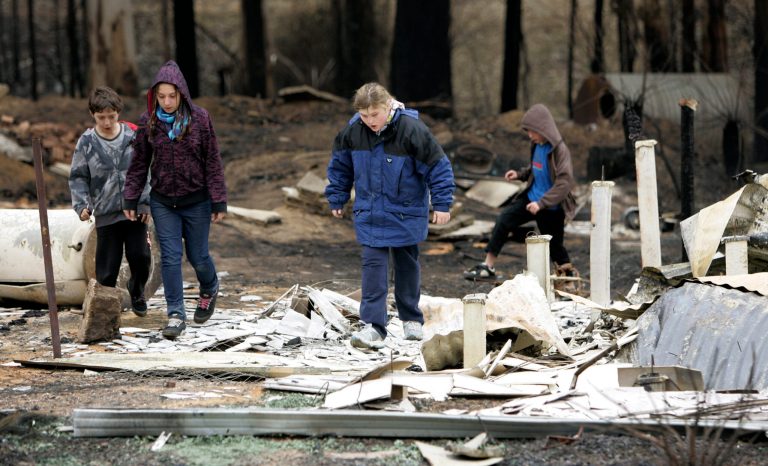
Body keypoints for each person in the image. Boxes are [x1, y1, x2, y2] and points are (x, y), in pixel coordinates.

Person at [325, 82, 455, 349]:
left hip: (406, 212)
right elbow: (340, 167)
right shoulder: (352, 132)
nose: (370, 121)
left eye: (375, 114)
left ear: (388, 107)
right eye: (364, 115)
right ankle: (374, 326)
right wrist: (337, 196)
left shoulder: (412, 130)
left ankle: (411, 318)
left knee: (406, 265)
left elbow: (438, 167)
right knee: (373, 267)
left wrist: (441, 204)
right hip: (370, 212)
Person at [123, 60, 227, 340]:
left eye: (172, 96)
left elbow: (213, 161)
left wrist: (218, 200)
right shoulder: (148, 122)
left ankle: (209, 287)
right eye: (161, 96)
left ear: (182, 93)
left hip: (197, 201)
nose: (167, 102)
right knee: (170, 257)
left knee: (198, 256)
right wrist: (131, 198)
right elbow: (139, 164)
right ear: (154, 96)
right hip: (163, 201)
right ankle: (176, 314)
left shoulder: (200, 119)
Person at [464, 103, 577, 281]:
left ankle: (567, 279)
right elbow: (536, 168)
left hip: (550, 207)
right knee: (503, 220)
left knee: (555, 247)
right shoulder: (536, 145)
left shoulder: (559, 151)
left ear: (544, 129)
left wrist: (542, 203)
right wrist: (519, 174)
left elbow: (564, 183)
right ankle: (488, 266)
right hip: (531, 198)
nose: (529, 135)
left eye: (532, 131)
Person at [69, 86, 152, 317]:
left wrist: (145, 202)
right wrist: (82, 205)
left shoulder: (133, 137)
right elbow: (78, 177)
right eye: (101, 117)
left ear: (118, 113)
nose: (106, 122)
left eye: (111, 116)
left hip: (134, 211)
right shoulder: (86, 142)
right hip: (106, 213)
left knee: (141, 257)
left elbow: (145, 171)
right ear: (92, 114)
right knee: (107, 268)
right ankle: (104, 312)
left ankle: (136, 289)